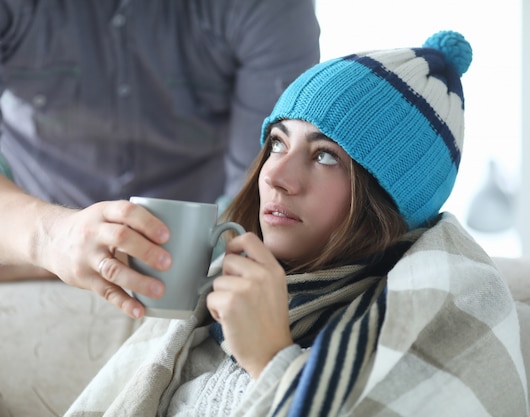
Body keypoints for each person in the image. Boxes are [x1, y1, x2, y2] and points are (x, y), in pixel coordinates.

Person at [64, 31, 529, 416]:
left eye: (325, 156)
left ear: (386, 200)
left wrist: (270, 359)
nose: (275, 176)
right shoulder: (209, 295)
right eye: (279, 143)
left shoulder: (445, 318)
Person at [0, 0, 320, 316]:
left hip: (191, 261)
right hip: (17, 232)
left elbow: (263, 192)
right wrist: (51, 241)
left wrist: (51, 261)